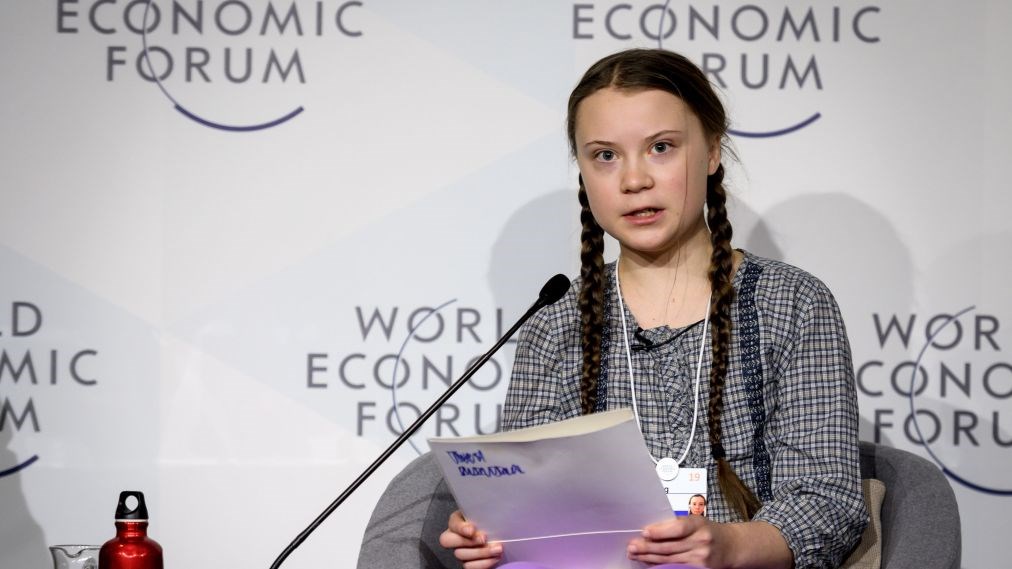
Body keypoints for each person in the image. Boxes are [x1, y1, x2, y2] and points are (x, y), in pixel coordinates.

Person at [439, 48, 868, 569]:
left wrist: (730, 547)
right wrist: (498, 530)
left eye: (661, 148)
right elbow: (534, 510)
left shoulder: (792, 303)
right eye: (605, 156)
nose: (634, 179)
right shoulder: (555, 323)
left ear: (712, 151)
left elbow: (827, 502)